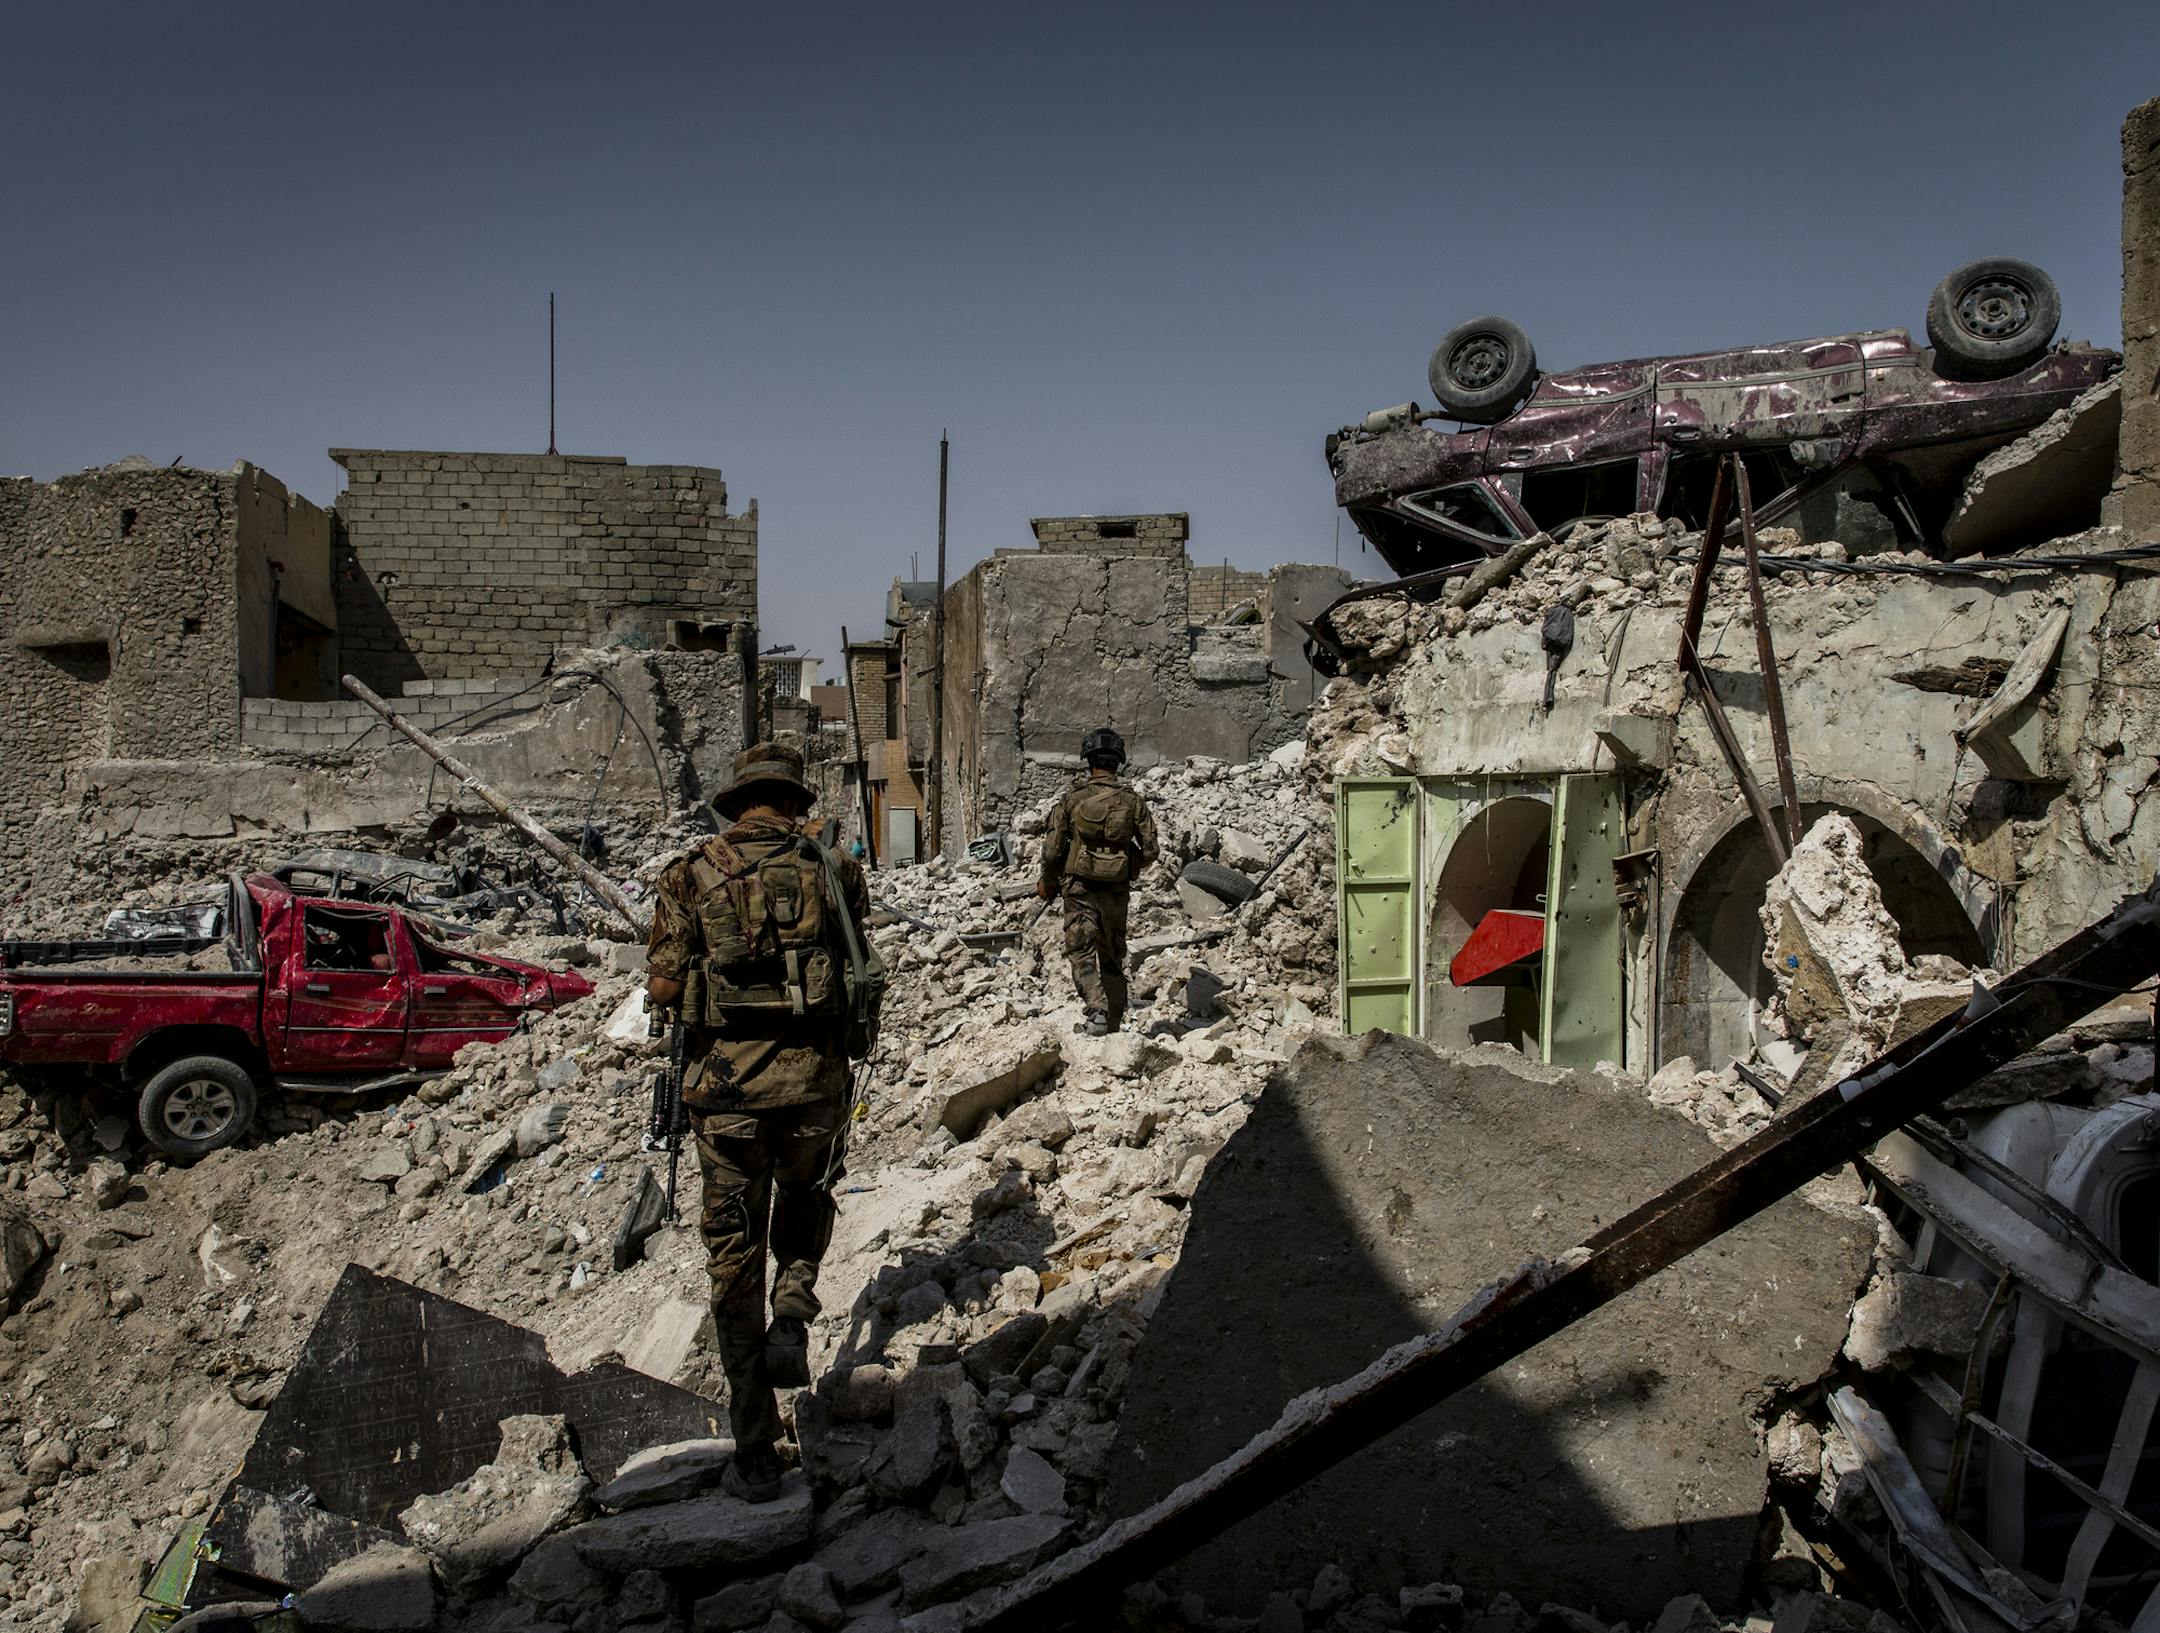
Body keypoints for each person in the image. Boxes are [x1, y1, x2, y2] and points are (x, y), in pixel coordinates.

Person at [645, 742, 873, 1502]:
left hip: (728, 1103)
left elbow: (666, 988)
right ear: (792, 800)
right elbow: (857, 965)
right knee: (807, 1200)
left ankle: (753, 1448)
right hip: (814, 1090)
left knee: (731, 1261)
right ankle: (796, 1302)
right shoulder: (833, 870)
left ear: (737, 803)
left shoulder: (688, 873)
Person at [1036, 726, 1159, 1036]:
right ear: (1118, 761)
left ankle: (1097, 1011)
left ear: (1088, 760)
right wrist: (1126, 868)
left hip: (1080, 889)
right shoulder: (1134, 802)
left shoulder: (1072, 799)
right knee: (1112, 953)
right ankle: (1114, 1022)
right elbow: (1151, 850)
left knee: (1081, 950)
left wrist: (1047, 881)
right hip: (1116, 891)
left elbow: (1052, 850)